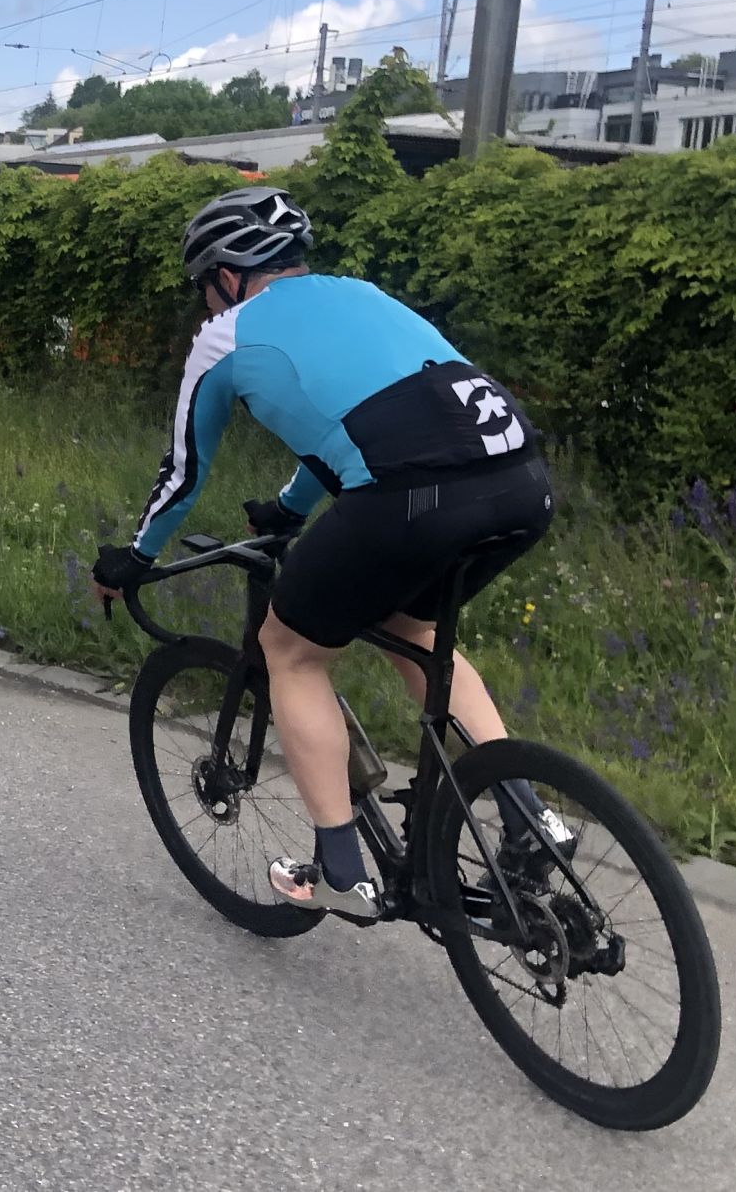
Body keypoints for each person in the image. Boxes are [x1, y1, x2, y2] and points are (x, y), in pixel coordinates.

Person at [91, 186, 564, 920]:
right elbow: (352, 424)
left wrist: (134, 557)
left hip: (415, 495)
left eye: (202, 287)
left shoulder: (225, 336)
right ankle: (528, 816)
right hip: (523, 481)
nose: (204, 303)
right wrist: (289, 507)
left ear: (226, 276)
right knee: (413, 632)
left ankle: (340, 866)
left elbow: (184, 472)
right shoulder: (362, 294)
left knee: (289, 649)